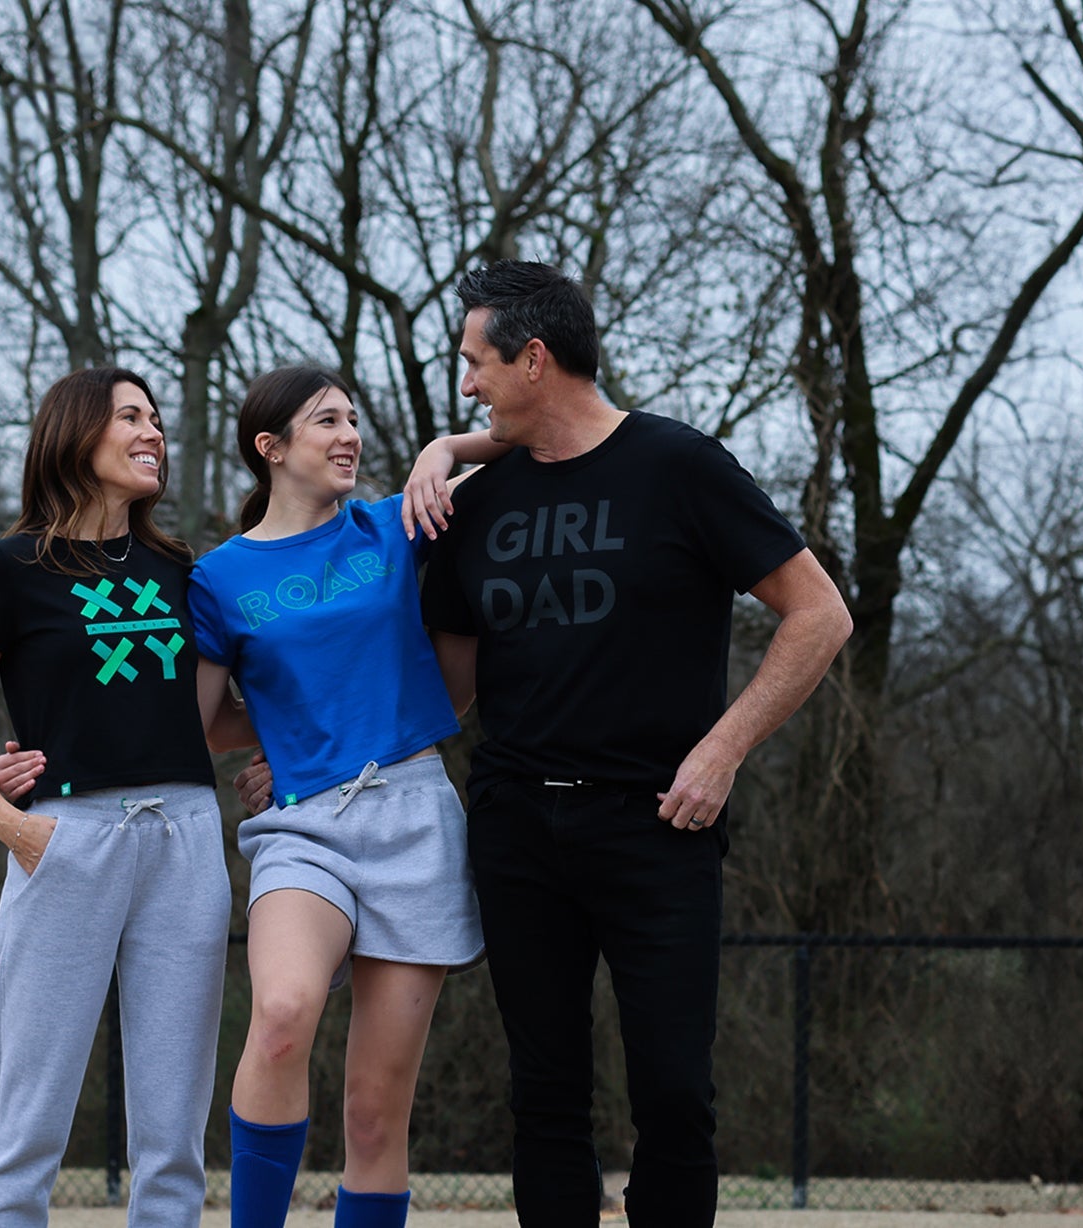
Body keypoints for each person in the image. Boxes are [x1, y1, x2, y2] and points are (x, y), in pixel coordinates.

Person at [399, 260, 852, 1228]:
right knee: (545, 1098)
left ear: (533, 357)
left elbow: (818, 615)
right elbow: (439, 692)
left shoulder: (678, 466)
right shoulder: (471, 507)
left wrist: (721, 750)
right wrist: (295, 755)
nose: (466, 383)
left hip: (657, 823)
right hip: (517, 825)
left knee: (675, 1097)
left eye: (474, 363)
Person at [0, 367, 251, 1228]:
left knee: (174, 1126)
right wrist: (10, 824)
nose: (153, 434)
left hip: (185, 838)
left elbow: (203, 721)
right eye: (130, 417)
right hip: (65, 842)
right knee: (31, 1113)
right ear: (77, 434)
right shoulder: (11, 567)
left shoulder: (181, 569)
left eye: (156, 420)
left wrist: (279, 750)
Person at [190, 365, 483, 1228]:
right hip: (304, 828)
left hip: (414, 814)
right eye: (326, 421)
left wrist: (443, 447)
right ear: (270, 448)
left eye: (352, 418)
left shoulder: (392, 525)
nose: (348, 434)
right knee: (280, 1014)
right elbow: (199, 726)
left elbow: (520, 448)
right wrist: (281, 739)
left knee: (372, 1114)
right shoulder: (217, 577)